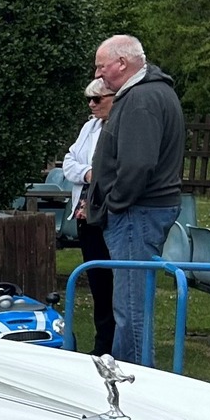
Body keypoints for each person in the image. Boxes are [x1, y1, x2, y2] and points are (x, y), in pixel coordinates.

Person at [85, 35, 186, 366]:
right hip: (141, 210)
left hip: (137, 212)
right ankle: (132, 374)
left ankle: (136, 382)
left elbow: (139, 164)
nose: (99, 75)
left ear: (121, 64)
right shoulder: (153, 92)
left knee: (130, 307)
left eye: (101, 67)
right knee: (128, 303)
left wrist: (115, 202)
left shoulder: (141, 99)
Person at [63, 78, 117, 355]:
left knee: (116, 283)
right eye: (89, 99)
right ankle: (101, 344)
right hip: (86, 214)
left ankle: (116, 345)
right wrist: (87, 173)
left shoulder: (123, 126)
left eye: (98, 99)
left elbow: (115, 171)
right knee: (97, 281)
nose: (91, 105)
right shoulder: (89, 127)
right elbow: (68, 163)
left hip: (112, 214)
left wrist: (97, 174)